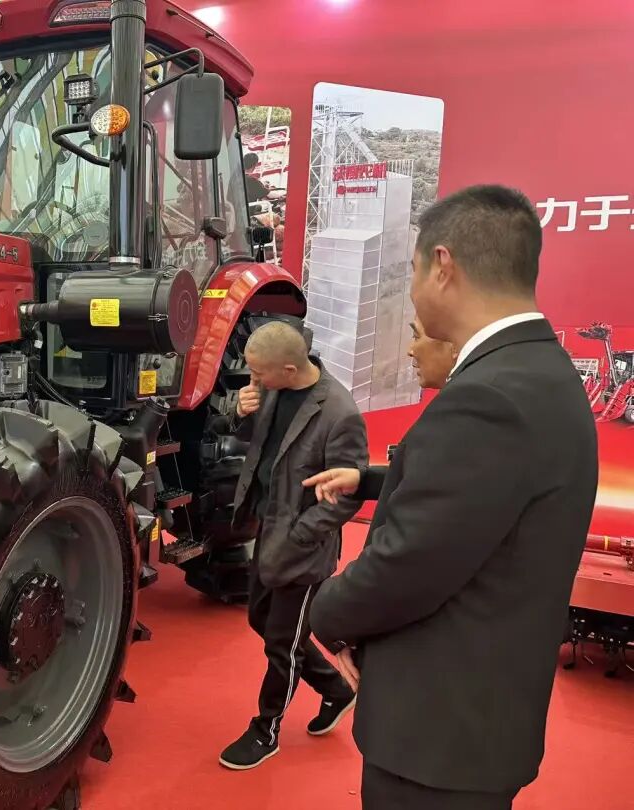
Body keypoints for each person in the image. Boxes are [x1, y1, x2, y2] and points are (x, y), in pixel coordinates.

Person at [303, 185, 598, 809]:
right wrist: (373, 480)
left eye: (411, 272)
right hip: (477, 719)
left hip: (437, 737)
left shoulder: (489, 396)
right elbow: (477, 504)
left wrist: (323, 613)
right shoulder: (540, 370)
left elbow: (408, 564)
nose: (410, 293)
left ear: (442, 266)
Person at [218, 320, 368, 771]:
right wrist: (237, 411)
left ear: (288, 368)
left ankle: (266, 730)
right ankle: (336, 689)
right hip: (268, 529)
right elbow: (253, 440)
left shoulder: (340, 413)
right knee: (261, 620)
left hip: (304, 548)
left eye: (258, 372)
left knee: (281, 646)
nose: (253, 379)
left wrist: (302, 532)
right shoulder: (272, 388)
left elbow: (348, 495)